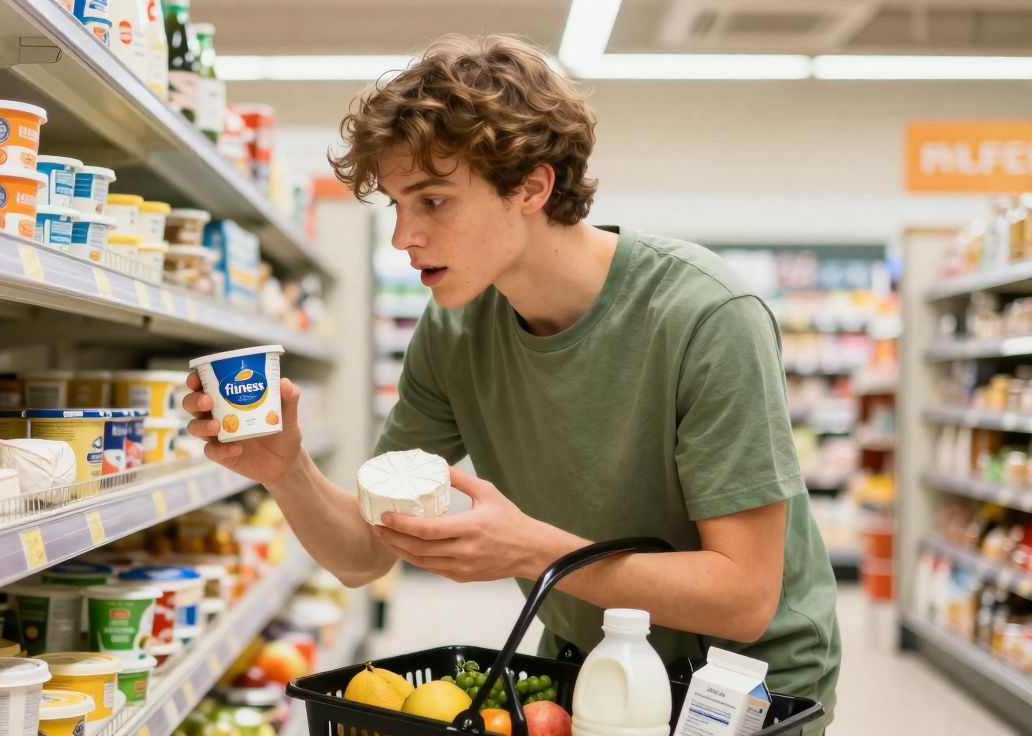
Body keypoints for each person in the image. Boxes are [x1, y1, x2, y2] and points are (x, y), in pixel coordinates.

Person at [183, 33, 839, 729]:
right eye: (396, 206)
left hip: (737, 684)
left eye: (432, 201)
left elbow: (743, 594)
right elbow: (364, 552)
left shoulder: (705, 317)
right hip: (590, 665)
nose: (403, 236)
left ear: (531, 186)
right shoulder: (454, 332)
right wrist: (288, 471)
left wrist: (531, 549)